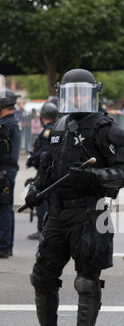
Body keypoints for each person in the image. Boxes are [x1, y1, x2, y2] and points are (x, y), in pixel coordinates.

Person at [15, 69, 124, 326]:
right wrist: (35, 188)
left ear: (94, 93)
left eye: (82, 92)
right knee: (42, 275)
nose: (77, 98)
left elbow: (122, 174)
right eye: (70, 92)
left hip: (90, 212)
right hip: (58, 212)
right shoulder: (59, 126)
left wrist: (93, 176)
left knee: (86, 280)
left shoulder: (109, 130)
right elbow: (48, 165)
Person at [26, 101, 59, 240]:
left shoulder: (47, 131)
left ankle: (42, 229)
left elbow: (45, 151)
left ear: (43, 116)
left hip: (45, 171)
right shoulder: (56, 128)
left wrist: (32, 157)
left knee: (41, 199)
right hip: (52, 170)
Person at [0, 88, 22, 258]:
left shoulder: (6, 125)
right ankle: (6, 246)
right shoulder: (12, 122)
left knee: (4, 208)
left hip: (4, 171)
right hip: (8, 170)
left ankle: (4, 247)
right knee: (6, 208)